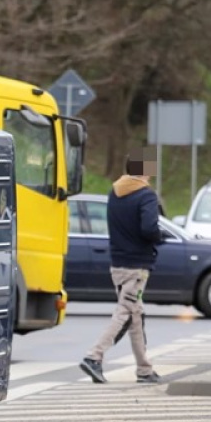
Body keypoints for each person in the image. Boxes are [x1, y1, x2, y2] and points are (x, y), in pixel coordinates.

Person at [80, 150, 165, 385]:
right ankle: (93, 356)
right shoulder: (146, 195)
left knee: (135, 315)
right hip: (137, 264)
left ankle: (144, 370)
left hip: (118, 262)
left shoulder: (115, 192)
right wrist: (159, 235)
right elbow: (149, 228)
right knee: (125, 313)